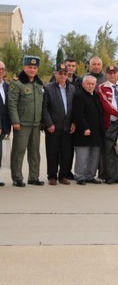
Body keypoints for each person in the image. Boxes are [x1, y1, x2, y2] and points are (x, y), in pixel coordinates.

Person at [8, 55, 44, 187]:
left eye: (35, 67)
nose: (32, 70)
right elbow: (12, 104)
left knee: (35, 152)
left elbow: (42, 104)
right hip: (22, 124)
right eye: (30, 67)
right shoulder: (17, 83)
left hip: (36, 124)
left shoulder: (39, 84)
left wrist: (42, 121)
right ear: (24, 67)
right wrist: (15, 121)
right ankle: (17, 177)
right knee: (19, 151)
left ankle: (33, 177)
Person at [41, 63, 75, 185]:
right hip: (53, 126)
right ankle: (52, 176)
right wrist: (49, 123)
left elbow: (74, 108)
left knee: (66, 153)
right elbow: (44, 108)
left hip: (67, 126)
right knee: (52, 152)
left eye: (65, 73)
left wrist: (74, 123)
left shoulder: (72, 88)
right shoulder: (48, 88)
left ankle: (63, 176)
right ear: (55, 74)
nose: (62, 75)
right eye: (60, 73)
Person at [98, 65, 118, 184]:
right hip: (110, 123)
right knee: (109, 150)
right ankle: (109, 176)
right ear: (106, 75)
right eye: (110, 73)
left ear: (117, 74)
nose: (112, 75)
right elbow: (106, 105)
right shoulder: (102, 87)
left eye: (114, 73)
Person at [72, 75, 104, 185]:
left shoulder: (95, 95)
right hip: (83, 132)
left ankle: (90, 176)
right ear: (83, 84)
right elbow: (78, 114)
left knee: (94, 156)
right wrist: (84, 127)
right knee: (83, 155)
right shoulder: (79, 96)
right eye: (88, 84)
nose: (90, 86)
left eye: (92, 84)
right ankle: (80, 176)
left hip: (96, 132)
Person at [0, 60, 10, 176]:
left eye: (2, 69)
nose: (0, 71)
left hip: (4, 125)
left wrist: (8, 127)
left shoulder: (7, 86)